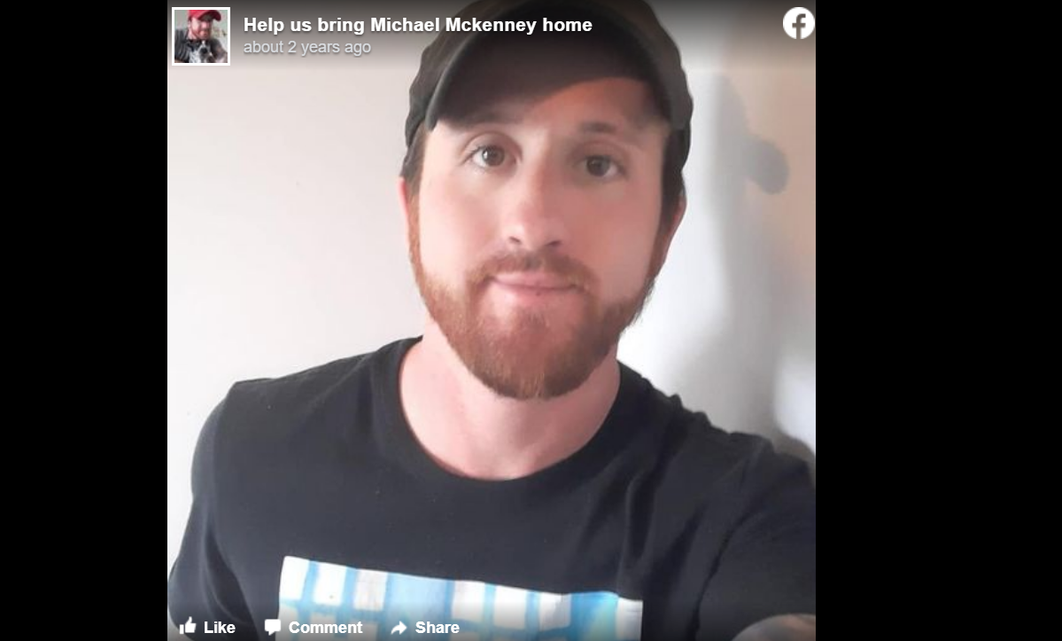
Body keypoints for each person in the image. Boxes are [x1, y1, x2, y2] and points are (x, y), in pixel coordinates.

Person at [167, 0, 815, 639]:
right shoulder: (248, 452)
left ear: (664, 229)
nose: (532, 223)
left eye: (598, 162)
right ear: (412, 207)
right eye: (489, 153)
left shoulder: (746, 515)